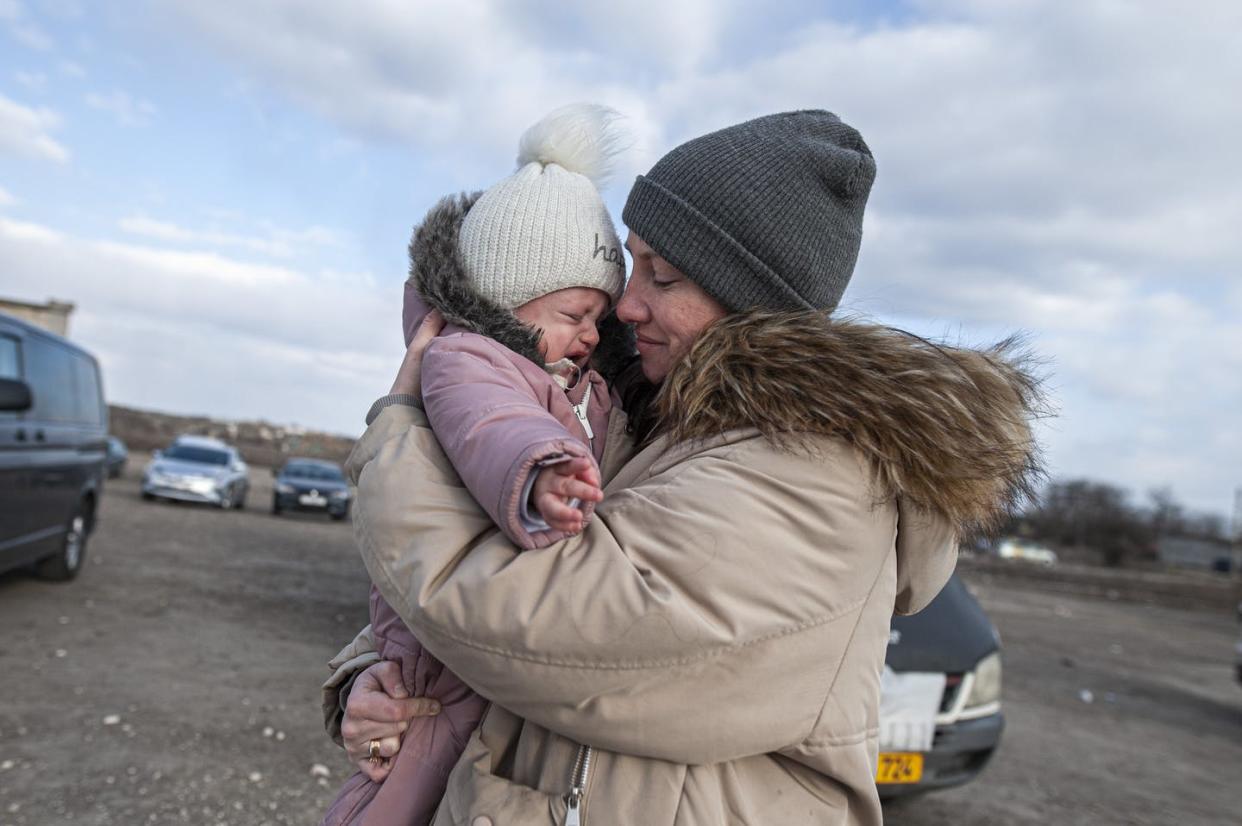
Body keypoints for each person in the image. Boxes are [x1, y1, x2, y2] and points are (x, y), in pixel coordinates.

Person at [324, 110, 1044, 825]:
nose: (626, 305)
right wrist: (380, 679)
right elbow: (483, 563)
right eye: (633, 261)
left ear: (751, 306)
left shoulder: (816, 474)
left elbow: (532, 628)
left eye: (662, 277)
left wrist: (403, 429)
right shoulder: (649, 423)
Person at [321, 104, 630, 825]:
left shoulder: (582, 385)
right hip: (440, 661)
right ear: (508, 300)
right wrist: (544, 472)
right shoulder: (469, 358)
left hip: (477, 641)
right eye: (575, 312)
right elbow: (496, 426)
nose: (592, 333)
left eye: (599, 318)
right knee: (405, 785)